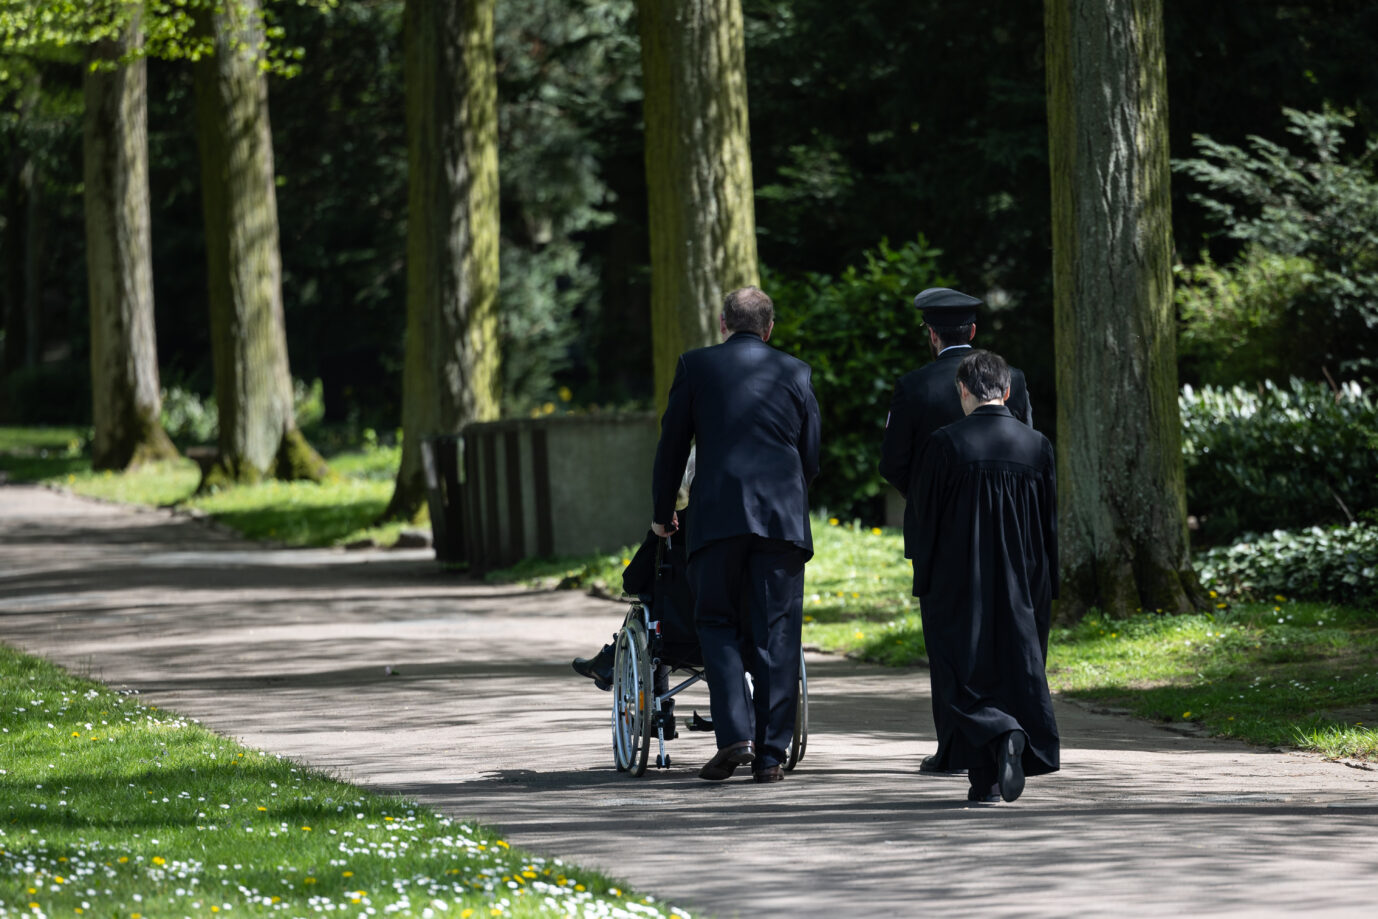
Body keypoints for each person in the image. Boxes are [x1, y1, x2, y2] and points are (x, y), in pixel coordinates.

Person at [650, 285, 820, 783]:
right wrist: (789, 497)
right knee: (778, 633)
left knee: (717, 623)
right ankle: (770, 756)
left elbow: (673, 445)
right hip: (781, 522)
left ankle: (736, 737)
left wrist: (663, 513)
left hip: (718, 516)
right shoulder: (796, 371)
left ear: (723, 324)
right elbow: (810, 455)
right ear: (770, 329)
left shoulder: (695, 366)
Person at [878, 286, 1033, 775]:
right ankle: (1009, 725)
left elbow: (892, 463)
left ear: (931, 334)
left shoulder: (913, 386)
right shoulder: (1016, 380)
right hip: (1008, 529)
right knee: (1004, 632)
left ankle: (955, 746)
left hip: (939, 531)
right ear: (972, 331)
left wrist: (930, 498)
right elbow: (1022, 445)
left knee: (946, 640)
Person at [909, 349, 1059, 803]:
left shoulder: (946, 443)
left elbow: (923, 520)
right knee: (1016, 666)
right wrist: (1050, 579)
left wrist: (924, 574)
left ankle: (999, 734)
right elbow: (1049, 521)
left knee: (961, 668)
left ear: (963, 391)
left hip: (961, 577)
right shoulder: (1037, 445)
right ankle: (988, 782)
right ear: (1008, 391)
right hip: (1025, 577)